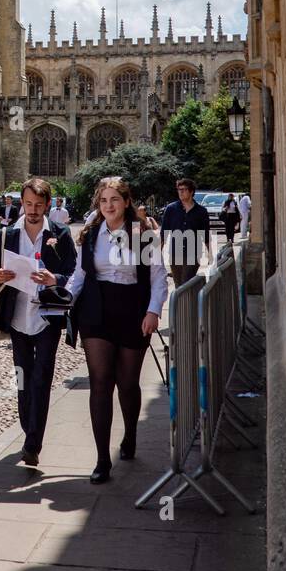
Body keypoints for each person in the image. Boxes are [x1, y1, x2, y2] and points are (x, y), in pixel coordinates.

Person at [68, 176, 168, 483]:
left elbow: (158, 276)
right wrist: (62, 297)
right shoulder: (92, 233)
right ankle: (101, 460)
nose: (109, 205)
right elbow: (80, 275)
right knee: (100, 382)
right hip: (96, 310)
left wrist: (153, 311)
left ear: (126, 202)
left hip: (133, 310)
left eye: (114, 199)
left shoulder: (142, 234)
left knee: (127, 383)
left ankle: (130, 434)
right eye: (103, 201)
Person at [0, 177, 77, 466]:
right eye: (28, 204)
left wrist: (56, 279)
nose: (33, 210)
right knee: (23, 378)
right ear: (22, 203)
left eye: (39, 205)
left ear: (48, 205)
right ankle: (29, 428)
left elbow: (74, 274)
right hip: (17, 316)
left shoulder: (61, 234)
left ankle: (32, 443)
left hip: (47, 315)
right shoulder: (7, 235)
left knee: (42, 377)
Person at [159, 178, 212, 288]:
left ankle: (187, 305)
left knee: (186, 283)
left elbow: (206, 235)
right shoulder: (171, 209)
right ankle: (182, 305)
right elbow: (163, 233)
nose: (181, 192)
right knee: (179, 286)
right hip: (175, 254)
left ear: (191, 191)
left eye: (184, 189)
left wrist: (210, 255)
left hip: (193, 254)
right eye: (179, 189)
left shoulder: (201, 212)